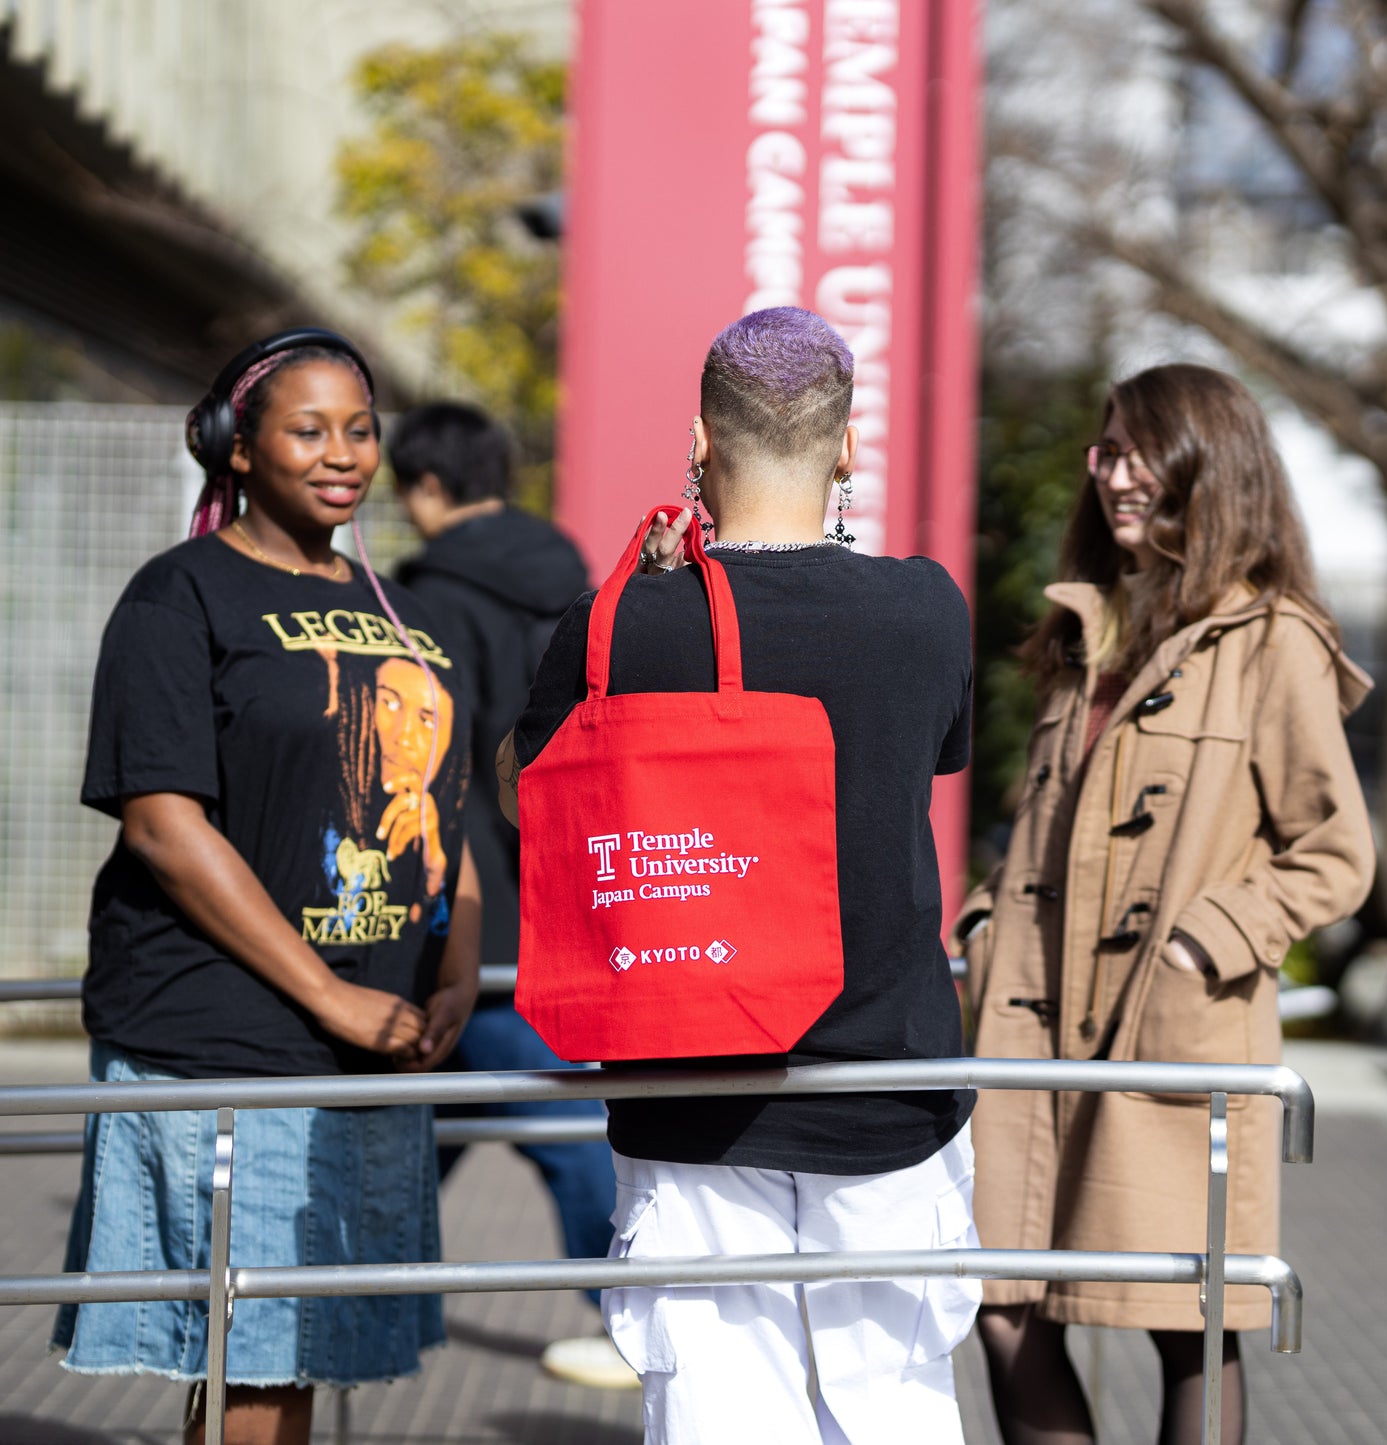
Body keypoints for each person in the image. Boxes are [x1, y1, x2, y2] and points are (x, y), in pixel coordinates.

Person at [497, 307, 981, 1445]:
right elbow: (935, 752)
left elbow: (536, 789)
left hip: (689, 1081)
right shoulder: (923, 610)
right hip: (888, 1081)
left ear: (697, 445)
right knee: (896, 1405)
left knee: (716, 1412)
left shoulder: (615, 624)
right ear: (847, 445)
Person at [52, 330, 481, 1445]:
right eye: (307, 429)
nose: (341, 454)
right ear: (236, 448)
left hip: (369, 1045)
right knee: (263, 1362)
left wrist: (456, 969)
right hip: (232, 1037)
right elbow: (162, 821)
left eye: (359, 428)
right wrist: (328, 993)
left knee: (284, 1365)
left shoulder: (405, 617)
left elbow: (447, 810)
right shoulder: (178, 594)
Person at [952, 363, 1375, 1445]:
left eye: (1138, 450)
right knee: (998, 1300)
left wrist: (1203, 938)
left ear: (1211, 461)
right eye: (1103, 451)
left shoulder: (1271, 640)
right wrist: (983, 920)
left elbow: (1332, 852)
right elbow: (1040, 833)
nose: (1113, 474)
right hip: (1028, 1035)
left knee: (1185, 1316)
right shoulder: (1078, 639)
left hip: (1167, 1039)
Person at [389, 403, 630, 1389]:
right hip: (564, 898)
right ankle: (375, 1295)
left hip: (465, 907)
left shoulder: (417, 601)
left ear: (425, 488)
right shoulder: (574, 584)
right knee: (431, 1117)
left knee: (549, 1116)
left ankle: (628, 1308)